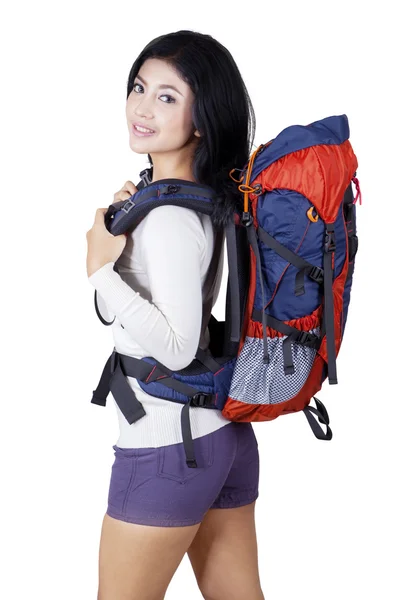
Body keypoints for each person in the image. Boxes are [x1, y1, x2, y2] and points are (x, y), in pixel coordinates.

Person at [86, 30, 264, 600]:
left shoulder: (166, 217)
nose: (142, 106)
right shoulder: (199, 199)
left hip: (169, 447)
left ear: (203, 118)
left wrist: (99, 271)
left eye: (167, 96)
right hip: (221, 437)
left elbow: (177, 344)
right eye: (140, 87)